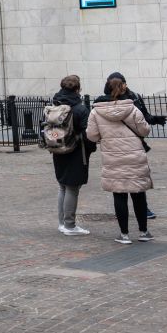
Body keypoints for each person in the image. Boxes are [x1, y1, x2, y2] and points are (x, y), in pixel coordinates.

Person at [87, 76, 153, 244]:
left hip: (113, 157)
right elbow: (145, 131)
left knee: (119, 194)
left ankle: (124, 234)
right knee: (138, 193)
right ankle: (144, 232)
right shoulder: (133, 109)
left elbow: (92, 136)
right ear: (123, 88)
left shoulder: (96, 111)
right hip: (135, 157)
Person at [97, 71, 167, 219]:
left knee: (122, 183)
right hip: (130, 146)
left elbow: (144, 118)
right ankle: (141, 222)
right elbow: (143, 127)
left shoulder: (104, 103)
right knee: (134, 181)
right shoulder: (108, 102)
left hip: (116, 148)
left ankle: (127, 226)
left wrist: (155, 119)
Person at [50, 75, 93, 235]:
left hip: (58, 149)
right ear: (77, 89)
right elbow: (87, 133)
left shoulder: (55, 105)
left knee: (63, 186)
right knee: (72, 188)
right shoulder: (80, 108)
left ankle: (62, 223)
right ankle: (69, 225)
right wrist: (90, 149)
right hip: (76, 151)